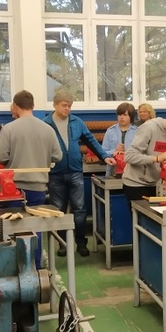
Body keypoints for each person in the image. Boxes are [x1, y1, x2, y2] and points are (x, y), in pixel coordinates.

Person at [0, 90, 63, 267]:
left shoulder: (9, 129)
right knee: (35, 229)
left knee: (15, 230)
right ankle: (36, 268)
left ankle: (16, 269)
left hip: (14, 189)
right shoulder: (48, 129)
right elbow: (58, 156)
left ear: (15, 106)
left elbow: (0, 156)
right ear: (32, 105)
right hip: (39, 187)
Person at [44, 90, 115, 257]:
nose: (67, 109)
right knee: (59, 210)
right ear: (55, 105)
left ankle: (81, 243)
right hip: (55, 174)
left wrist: (104, 156)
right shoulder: (46, 124)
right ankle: (62, 244)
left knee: (80, 209)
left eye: (70, 106)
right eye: (64, 105)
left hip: (76, 172)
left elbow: (90, 140)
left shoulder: (77, 122)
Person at [102, 102, 138, 177]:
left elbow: (141, 153)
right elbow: (102, 153)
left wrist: (127, 152)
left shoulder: (137, 132)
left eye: (125, 115)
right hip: (113, 173)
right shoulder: (110, 131)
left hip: (133, 173)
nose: (121, 117)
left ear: (131, 116)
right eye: (119, 115)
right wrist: (114, 151)